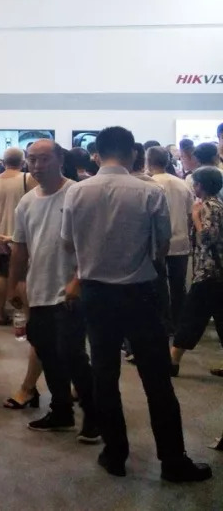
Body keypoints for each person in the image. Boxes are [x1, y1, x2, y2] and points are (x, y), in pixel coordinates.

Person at [61, 125, 211, 482]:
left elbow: (68, 243)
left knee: (104, 375)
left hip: (95, 293)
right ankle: (173, 460)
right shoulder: (149, 192)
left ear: (97, 154)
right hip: (140, 292)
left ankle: (115, 454)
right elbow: (161, 246)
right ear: (132, 154)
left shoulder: (77, 192)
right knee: (157, 379)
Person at [8, 140, 99, 441]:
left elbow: (93, 244)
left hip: (70, 291)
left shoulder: (77, 193)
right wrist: (15, 285)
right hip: (39, 290)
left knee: (73, 355)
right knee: (47, 352)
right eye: (32, 159)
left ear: (60, 159)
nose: (36, 166)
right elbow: (20, 247)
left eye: (44, 159)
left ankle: (94, 415)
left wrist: (78, 280)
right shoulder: (27, 202)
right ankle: (61, 411)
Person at [170, 166, 223, 374]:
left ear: (200, 185)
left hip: (209, 272)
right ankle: (173, 359)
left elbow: (208, 237)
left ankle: (173, 360)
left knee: (192, 315)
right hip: (215, 271)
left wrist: (195, 218)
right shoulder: (216, 204)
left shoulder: (209, 207)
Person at [0, 146, 37, 326]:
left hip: (0, 237)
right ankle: (26, 316)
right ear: (23, 162)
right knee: (22, 277)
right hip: (22, 238)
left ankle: (0, 314)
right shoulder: (28, 178)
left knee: (2, 274)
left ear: (3, 162)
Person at [148, 145, 194, 332]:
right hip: (181, 241)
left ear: (148, 162)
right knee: (178, 285)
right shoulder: (182, 184)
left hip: (157, 243)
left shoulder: (149, 184)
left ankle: (163, 323)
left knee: (158, 285)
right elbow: (190, 214)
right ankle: (179, 323)